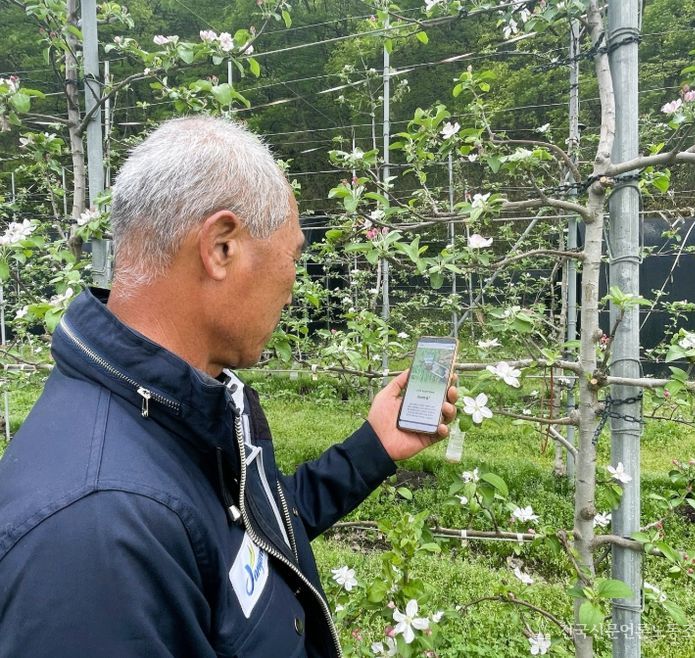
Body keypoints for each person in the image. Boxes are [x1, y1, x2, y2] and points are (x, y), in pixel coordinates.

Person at [0, 117, 457, 658]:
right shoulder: (96, 533)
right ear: (221, 247)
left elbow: (250, 539)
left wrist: (373, 447)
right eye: (293, 258)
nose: (292, 288)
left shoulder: (181, 406)